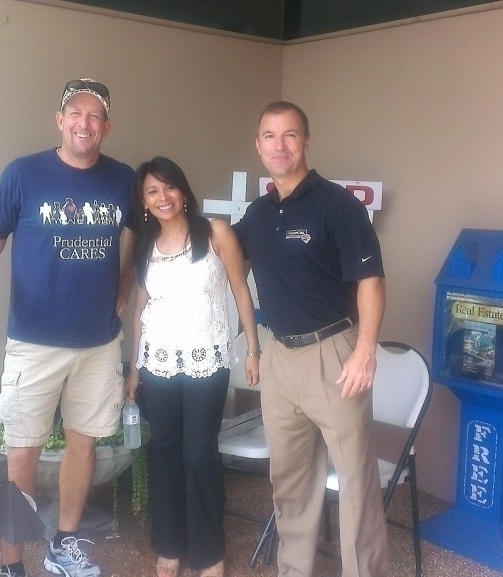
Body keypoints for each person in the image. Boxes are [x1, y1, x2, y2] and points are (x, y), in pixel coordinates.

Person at [0, 78, 135, 577]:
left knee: (84, 443)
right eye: (75, 113)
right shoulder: (23, 174)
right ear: (60, 120)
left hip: (98, 343)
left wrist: (124, 284)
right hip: (34, 342)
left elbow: (135, 241)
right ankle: (14, 562)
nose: (85, 123)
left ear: (107, 126)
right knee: (22, 453)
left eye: (95, 115)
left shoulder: (122, 179)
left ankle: (64, 544)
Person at [233, 101, 388, 577]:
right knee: (291, 483)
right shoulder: (257, 215)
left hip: (334, 355)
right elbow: (222, 252)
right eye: (270, 136)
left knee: (357, 486)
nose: (280, 145)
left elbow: (371, 282)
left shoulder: (338, 206)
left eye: (290, 135)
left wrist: (364, 352)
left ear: (306, 142)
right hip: (281, 360)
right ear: (258, 146)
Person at [125, 157, 260, 577]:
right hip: (159, 362)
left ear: (182, 191)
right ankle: (169, 545)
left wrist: (253, 349)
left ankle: (208, 551)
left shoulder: (215, 232)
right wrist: (134, 368)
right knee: (163, 450)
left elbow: (240, 290)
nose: (162, 197)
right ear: (145, 202)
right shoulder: (146, 245)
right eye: (152, 191)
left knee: (198, 454)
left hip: (207, 360)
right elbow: (140, 310)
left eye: (169, 187)